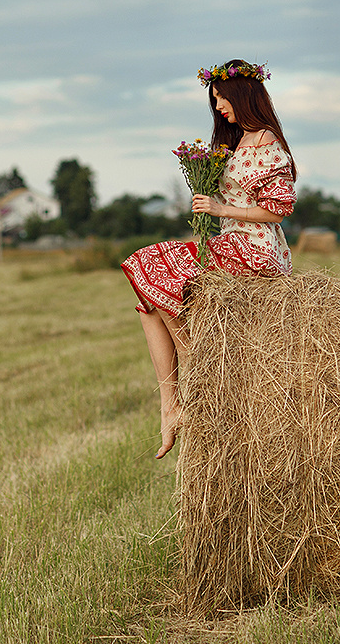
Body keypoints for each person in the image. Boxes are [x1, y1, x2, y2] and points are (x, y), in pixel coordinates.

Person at [121, 59, 296, 459]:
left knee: (152, 262)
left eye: (221, 99)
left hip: (258, 249)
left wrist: (220, 211)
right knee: (149, 303)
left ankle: (195, 363)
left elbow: (278, 211)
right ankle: (171, 405)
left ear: (243, 95)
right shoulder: (238, 143)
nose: (218, 108)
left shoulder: (268, 144)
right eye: (214, 100)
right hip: (231, 242)